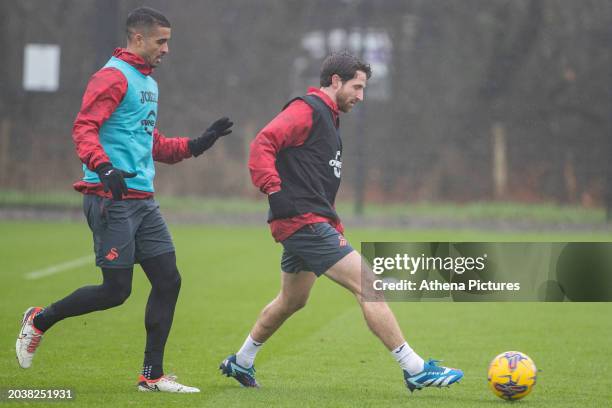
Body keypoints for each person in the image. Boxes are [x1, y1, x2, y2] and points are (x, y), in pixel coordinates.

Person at [15, 7, 232, 393]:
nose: (166, 49)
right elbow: (84, 128)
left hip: (143, 200)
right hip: (110, 197)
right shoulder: (113, 77)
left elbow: (152, 143)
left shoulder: (147, 83)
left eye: (168, 41)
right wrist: (103, 167)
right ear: (138, 39)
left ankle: (152, 375)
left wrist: (198, 144)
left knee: (168, 280)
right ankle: (39, 320)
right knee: (116, 291)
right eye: (161, 41)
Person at [219, 52, 463, 393]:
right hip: (302, 222)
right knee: (369, 285)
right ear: (335, 80)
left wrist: (331, 225)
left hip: (309, 222)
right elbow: (263, 142)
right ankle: (415, 368)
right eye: (357, 87)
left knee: (292, 301)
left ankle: (241, 361)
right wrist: (273, 190)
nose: (361, 96)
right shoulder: (307, 109)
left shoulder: (329, 118)